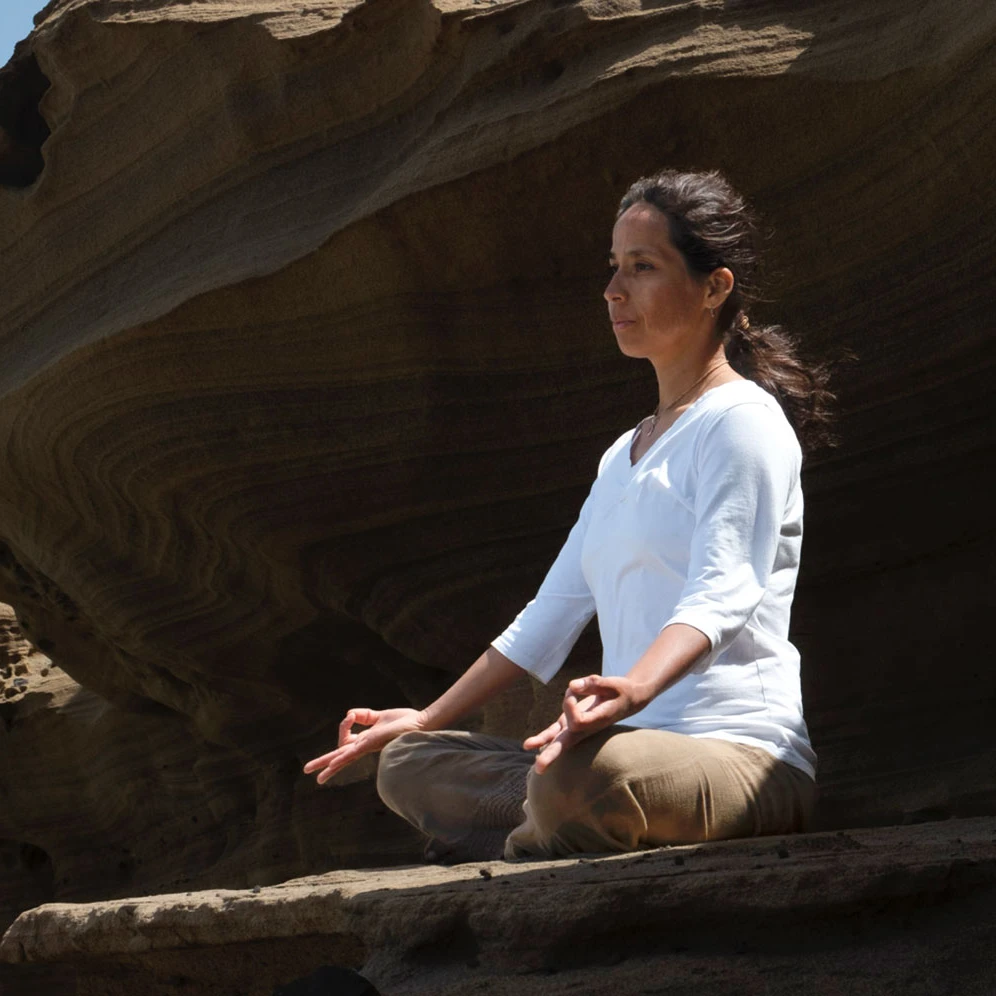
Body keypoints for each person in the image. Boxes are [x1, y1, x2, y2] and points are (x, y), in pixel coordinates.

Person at [303, 169, 834, 862]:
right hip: (613, 755)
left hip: (739, 759)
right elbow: (549, 613)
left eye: (643, 268)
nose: (614, 291)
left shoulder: (743, 423)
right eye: (614, 268)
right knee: (409, 763)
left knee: (591, 779)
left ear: (714, 287)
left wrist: (635, 686)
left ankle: (538, 834)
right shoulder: (625, 453)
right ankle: (548, 825)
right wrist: (427, 718)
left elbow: (725, 589)